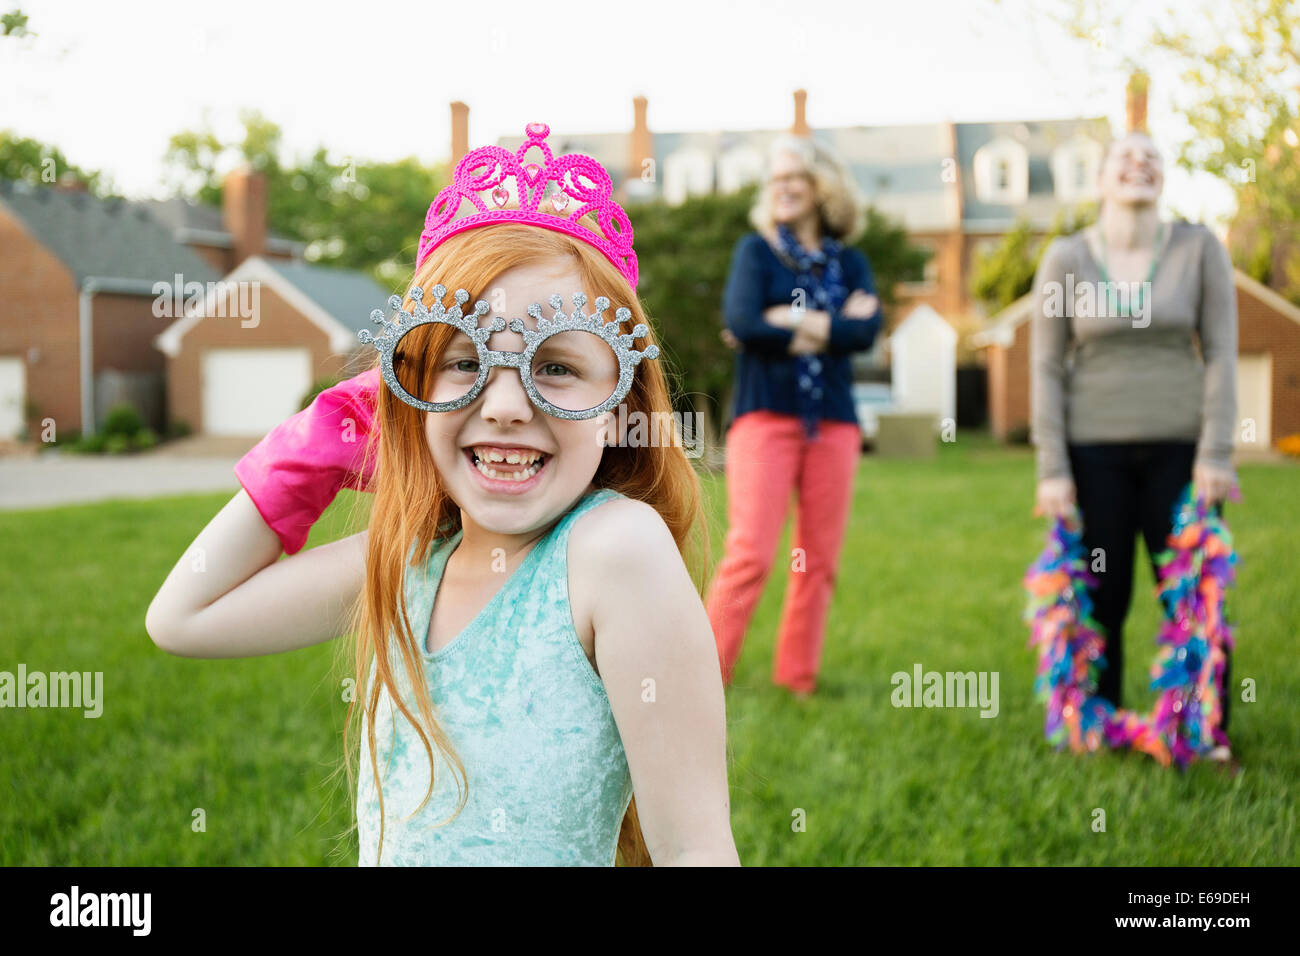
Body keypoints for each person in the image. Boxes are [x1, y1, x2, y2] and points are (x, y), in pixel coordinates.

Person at [146, 123, 740, 866]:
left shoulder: (613, 551)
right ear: (409, 387)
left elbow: (695, 851)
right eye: (462, 362)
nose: (505, 404)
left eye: (555, 368)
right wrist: (316, 447)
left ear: (621, 407)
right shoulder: (407, 560)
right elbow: (184, 616)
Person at [1030, 129, 1239, 760]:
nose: (1139, 164)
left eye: (1152, 156)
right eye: (1125, 156)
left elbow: (1224, 352)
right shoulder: (1066, 258)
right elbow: (1044, 365)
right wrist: (1052, 467)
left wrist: (1217, 453)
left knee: (1194, 593)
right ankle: (1094, 723)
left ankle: (1201, 731)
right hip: (1093, 455)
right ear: (1100, 180)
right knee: (1101, 593)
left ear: (1164, 178)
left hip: (1183, 450)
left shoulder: (1199, 248)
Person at [706, 135, 883, 698]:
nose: (782, 187)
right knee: (751, 554)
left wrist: (793, 320)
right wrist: (831, 326)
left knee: (818, 560)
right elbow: (742, 321)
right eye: (774, 179)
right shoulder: (755, 253)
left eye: (795, 178)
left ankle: (797, 679)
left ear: (822, 188)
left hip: (833, 422)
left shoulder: (851, 262)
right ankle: (704, 675)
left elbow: (867, 333)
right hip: (766, 419)